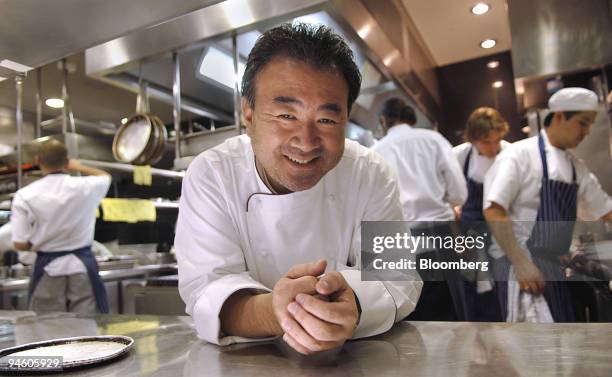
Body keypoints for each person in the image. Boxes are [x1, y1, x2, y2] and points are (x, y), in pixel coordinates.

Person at [175, 23, 422, 355]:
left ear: (346, 119)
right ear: (248, 113)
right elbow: (207, 289)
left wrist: (354, 305)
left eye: (326, 120)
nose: (306, 142)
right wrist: (278, 311)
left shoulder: (370, 173)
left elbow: (397, 277)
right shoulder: (212, 174)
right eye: (286, 115)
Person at [484, 87, 612, 322]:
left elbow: (605, 210)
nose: (587, 132)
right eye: (583, 123)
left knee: (563, 349)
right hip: (521, 268)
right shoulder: (519, 155)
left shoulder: (576, 168)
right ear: (561, 115)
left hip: (553, 267)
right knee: (537, 351)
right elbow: (494, 209)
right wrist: (521, 263)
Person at [371, 98, 468, 321]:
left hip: (397, 239)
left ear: (384, 120)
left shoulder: (376, 151)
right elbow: (459, 194)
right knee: (453, 309)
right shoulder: (433, 140)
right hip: (441, 233)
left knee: (413, 313)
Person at [11, 139, 111, 313]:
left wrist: (37, 242)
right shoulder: (85, 187)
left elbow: (19, 244)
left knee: (46, 328)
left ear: (38, 161)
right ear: (66, 162)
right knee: (85, 329)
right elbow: (105, 176)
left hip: (48, 271)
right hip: (82, 269)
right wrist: (77, 166)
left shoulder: (25, 195)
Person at [453, 107, 510, 321]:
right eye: (487, 142)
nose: (493, 147)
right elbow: (446, 199)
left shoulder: (510, 154)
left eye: (497, 140)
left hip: (502, 236)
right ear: (473, 138)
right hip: (470, 238)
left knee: (501, 295)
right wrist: (458, 238)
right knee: (473, 298)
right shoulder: (459, 156)